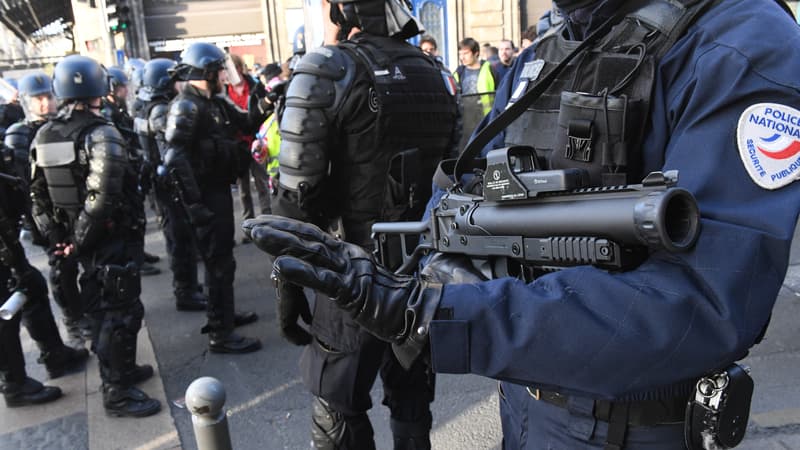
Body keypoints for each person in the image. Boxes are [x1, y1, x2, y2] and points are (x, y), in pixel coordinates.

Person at [246, 0, 800, 448]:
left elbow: (706, 301)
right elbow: (461, 188)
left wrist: (437, 314)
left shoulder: (738, 36)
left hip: (633, 425)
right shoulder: (553, 47)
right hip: (523, 404)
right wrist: (422, 281)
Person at [264, 0, 459, 448]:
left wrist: (288, 282)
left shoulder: (328, 67)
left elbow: (297, 197)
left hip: (350, 272)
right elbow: (453, 174)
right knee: (411, 399)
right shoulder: (435, 71)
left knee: (335, 402)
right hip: (421, 271)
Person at [30, 55, 161, 417]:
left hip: (81, 241)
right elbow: (101, 199)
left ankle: (124, 371)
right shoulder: (101, 133)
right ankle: (117, 392)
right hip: (107, 241)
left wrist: (60, 240)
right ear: (97, 89)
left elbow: (37, 196)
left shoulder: (44, 134)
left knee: (109, 311)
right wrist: (79, 240)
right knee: (117, 314)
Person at [164, 42, 261, 354]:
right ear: (206, 71)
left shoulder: (214, 103)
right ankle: (220, 332)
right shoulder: (186, 106)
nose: (223, 74)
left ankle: (225, 317)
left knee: (223, 261)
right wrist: (195, 206)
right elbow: (174, 159)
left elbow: (247, 122)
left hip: (218, 191)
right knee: (217, 263)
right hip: (204, 196)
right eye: (219, 69)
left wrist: (266, 100)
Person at [3, 73, 90, 344]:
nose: (45, 103)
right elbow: (26, 185)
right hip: (44, 215)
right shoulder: (20, 134)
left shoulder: (63, 126)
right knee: (62, 269)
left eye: (48, 96)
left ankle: (84, 312)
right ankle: (73, 319)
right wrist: (42, 224)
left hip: (70, 208)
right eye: (38, 98)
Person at [134, 58, 207, 312]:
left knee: (176, 237)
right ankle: (185, 291)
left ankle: (187, 286)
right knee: (180, 239)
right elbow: (172, 149)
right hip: (168, 185)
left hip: (158, 183)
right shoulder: (160, 111)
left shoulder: (143, 108)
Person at [102, 67, 162, 277]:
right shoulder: (108, 112)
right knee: (132, 218)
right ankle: (136, 259)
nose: (125, 91)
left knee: (138, 215)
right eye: (121, 88)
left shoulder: (115, 109)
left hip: (132, 166)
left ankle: (139, 253)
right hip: (124, 169)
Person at [226, 54, 272, 234]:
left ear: (239, 68)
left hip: (256, 140)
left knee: (262, 183)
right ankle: (248, 225)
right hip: (237, 144)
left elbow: (266, 110)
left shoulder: (254, 86)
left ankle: (268, 222)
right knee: (243, 188)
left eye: (234, 68)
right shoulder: (223, 91)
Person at [454, 37, 496, 117]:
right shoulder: (458, 73)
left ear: (476, 53)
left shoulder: (489, 69)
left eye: (466, 53)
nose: (462, 57)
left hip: (487, 118)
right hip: (465, 119)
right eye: (460, 54)